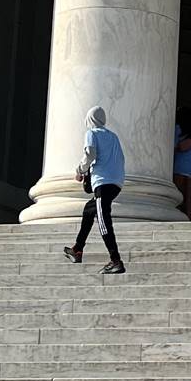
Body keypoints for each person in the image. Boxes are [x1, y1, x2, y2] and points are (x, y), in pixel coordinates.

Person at [63, 106, 126, 274]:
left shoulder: (92, 133)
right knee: (89, 210)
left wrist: (80, 171)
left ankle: (115, 261)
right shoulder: (113, 136)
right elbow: (120, 158)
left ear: (89, 120)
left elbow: (90, 154)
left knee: (103, 219)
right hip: (116, 182)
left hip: (103, 183)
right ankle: (78, 248)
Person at [173, 105, 191, 218]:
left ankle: (175, 219)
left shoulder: (177, 128)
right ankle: (188, 220)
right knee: (189, 200)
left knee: (176, 197)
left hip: (180, 166)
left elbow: (174, 148)